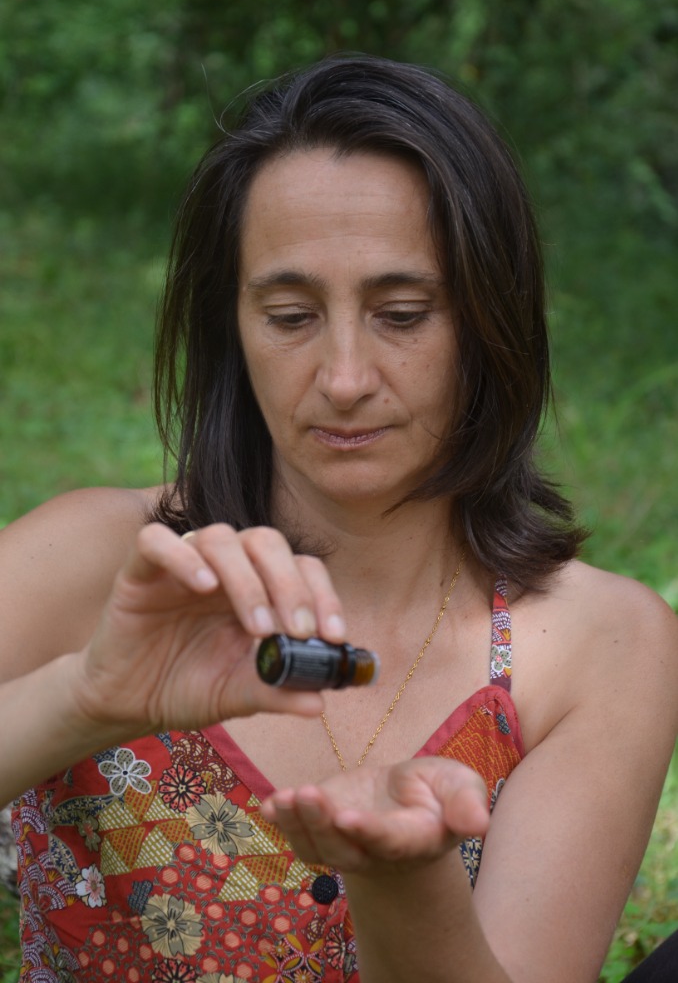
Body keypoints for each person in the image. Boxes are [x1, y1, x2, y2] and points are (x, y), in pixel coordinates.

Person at [2, 54, 677, 983]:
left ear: (492, 320)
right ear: (231, 328)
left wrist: (405, 878)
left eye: (402, 314)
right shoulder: (103, 563)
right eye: (289, 316)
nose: (346, 378)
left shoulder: (597, 644)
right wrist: (83, 700)